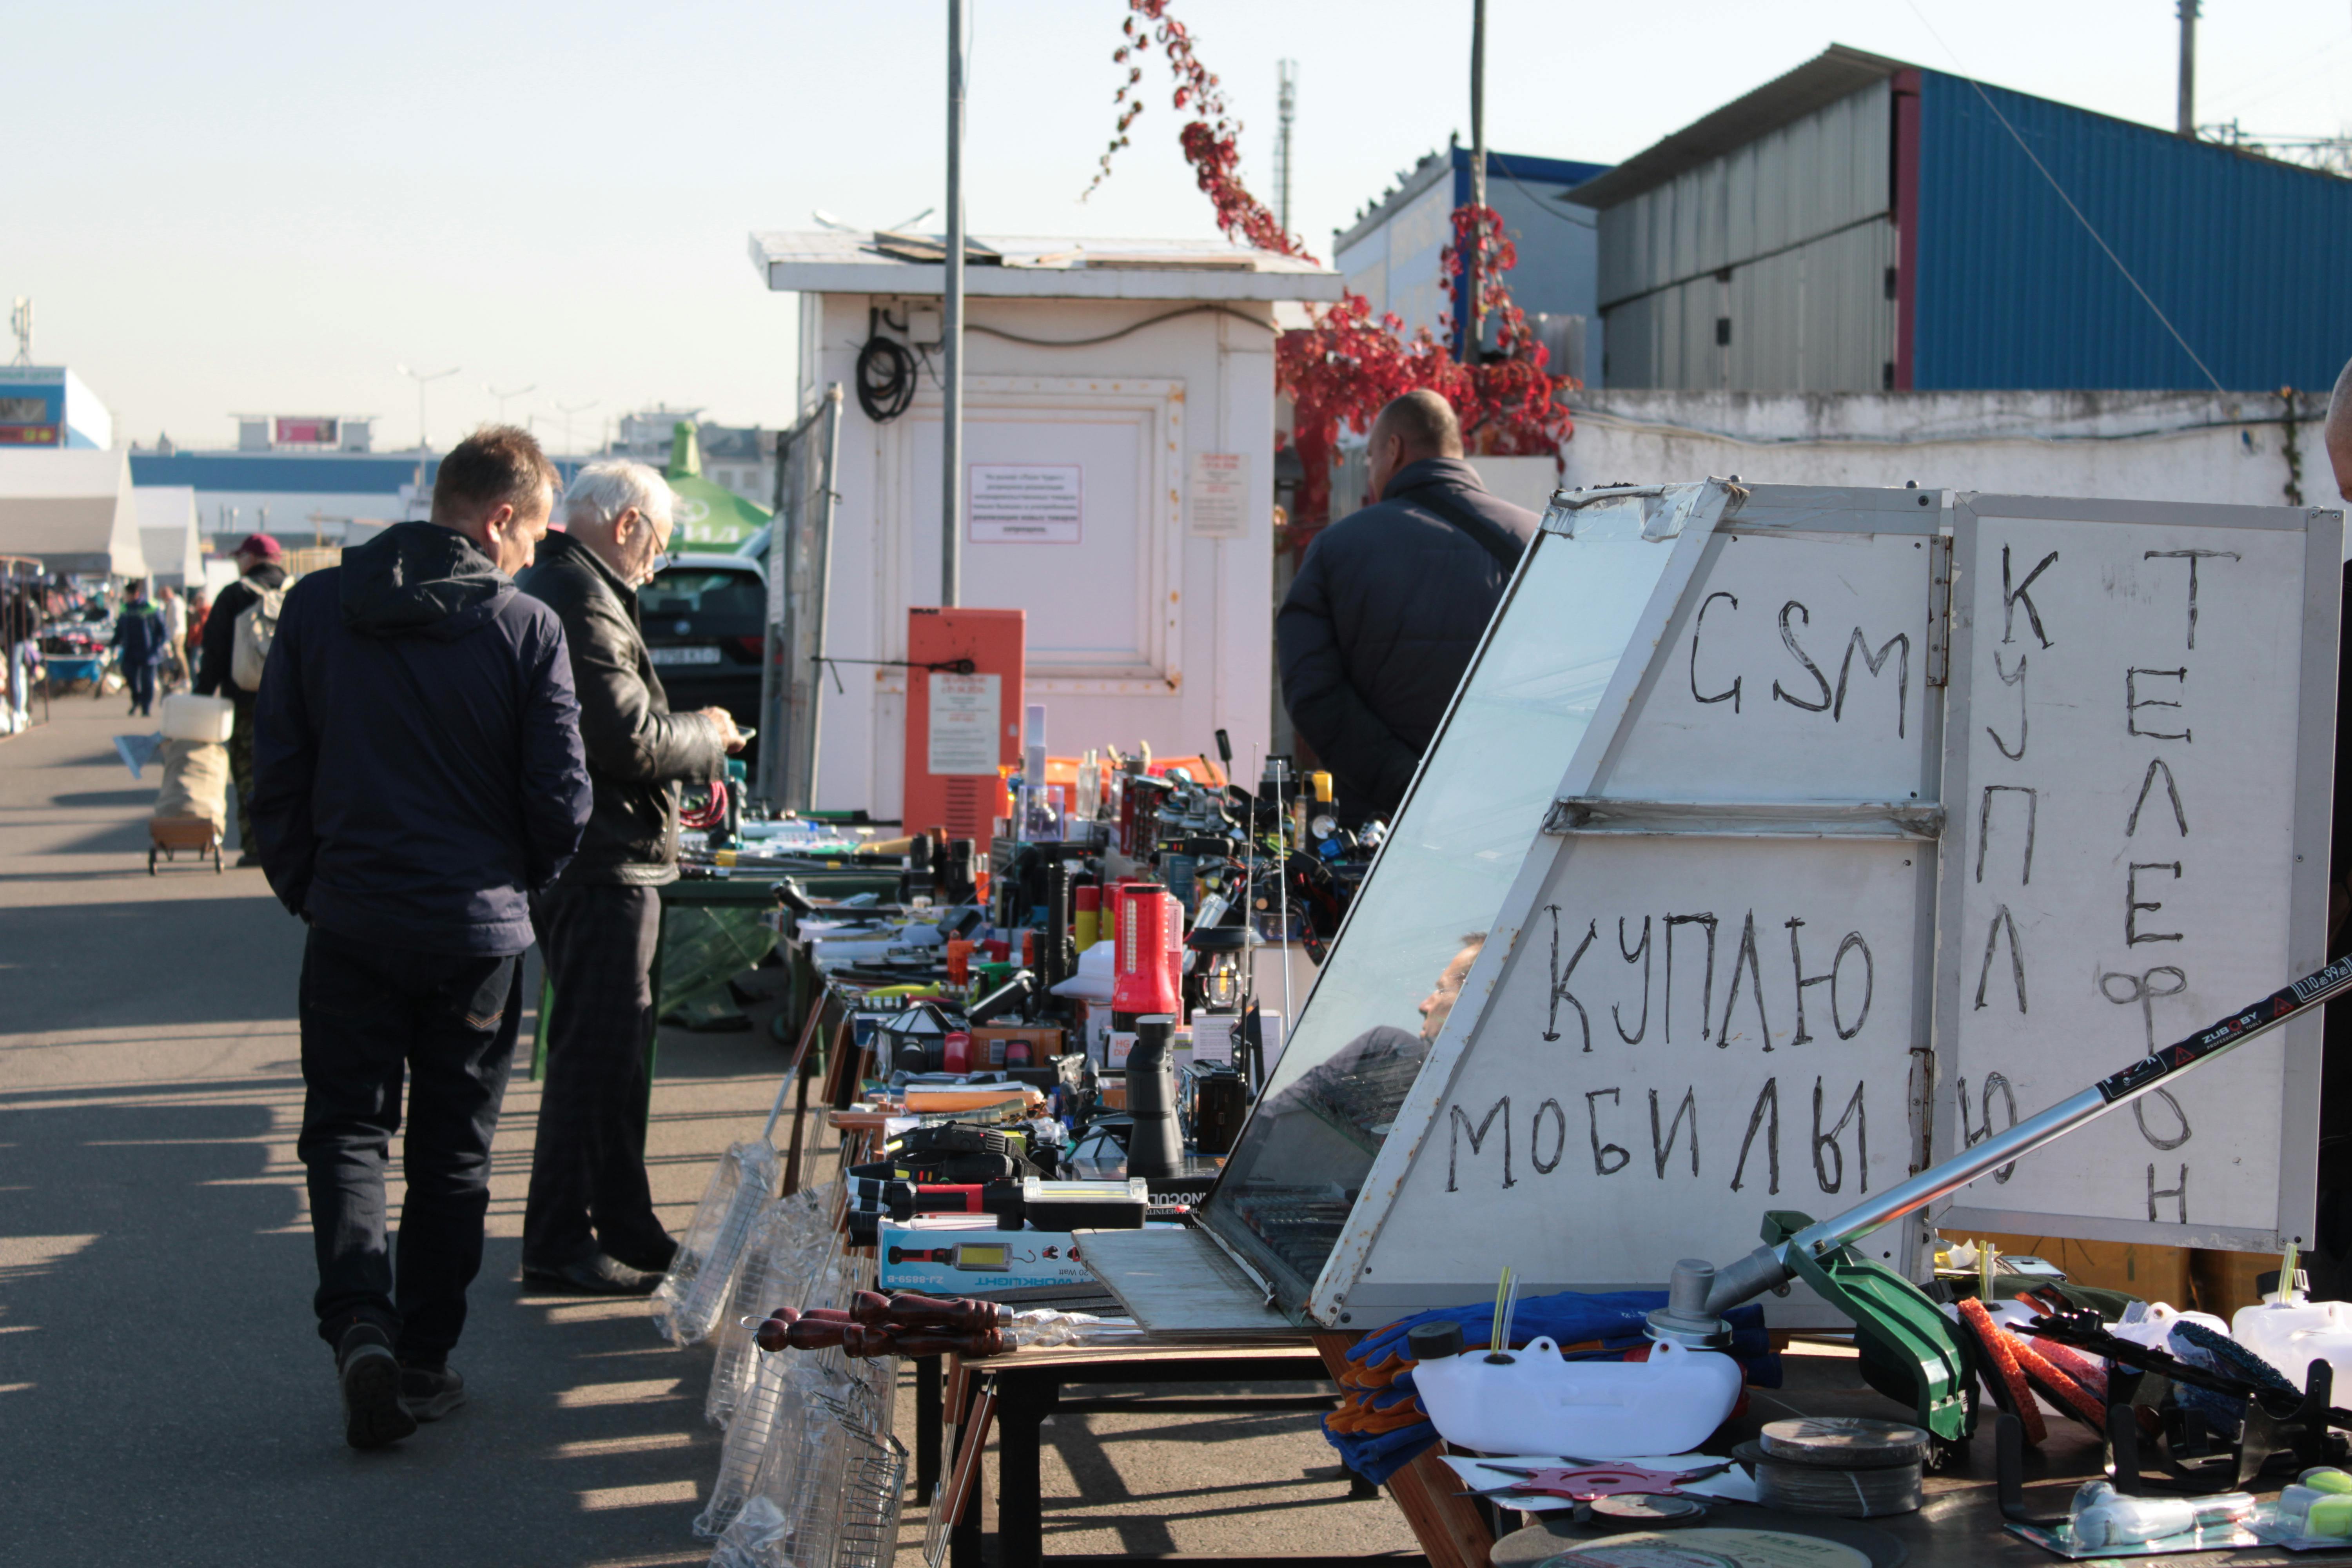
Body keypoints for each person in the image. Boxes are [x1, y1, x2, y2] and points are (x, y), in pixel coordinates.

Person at [251, 425, 591, 1450]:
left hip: (352, 918)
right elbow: (564, 801)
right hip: (474, 935)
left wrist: (310, 886)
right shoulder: (527, 629)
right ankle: (428, 1360)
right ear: (498, 518)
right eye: (534, 533)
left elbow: (275, 774)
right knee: (453, 1153)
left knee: (348, 1131)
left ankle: (362, 1322)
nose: (534, 555)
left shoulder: (316, 606)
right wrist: (513, 890)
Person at [515, 461, 744, 1294]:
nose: (660, 559)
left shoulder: (573, 587)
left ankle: (621, 1219)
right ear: (627, 525)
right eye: (662, 540)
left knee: (612, 1052)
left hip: (606, 855)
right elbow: (629, 737)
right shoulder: (579, 596)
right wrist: (709, 732)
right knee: (595, 1053)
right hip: (600, 861)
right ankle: (558, 1239)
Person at [1276, 389, 1540, 823]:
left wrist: (1407, 783)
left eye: (1371, 459)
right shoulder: (1540, 542)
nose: (1371, 474)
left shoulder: (1337, 550)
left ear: (1394, 450)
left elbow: (1312, 692)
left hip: (1377, 829)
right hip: (1508, 826)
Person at [195, 534, 289, 865]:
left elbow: (214, 656)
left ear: (249, 559)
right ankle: (295, 848)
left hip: (247, 706)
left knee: (249, 777)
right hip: (295, 707)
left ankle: (255, 849)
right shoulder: (302, 593)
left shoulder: (233, 596)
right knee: (298, 774)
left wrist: (202, 700)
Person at [110, 578, 169, 717]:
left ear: (136, 594)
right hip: (131, 650)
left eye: (128, 595)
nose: (127, 598)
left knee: (148, 681)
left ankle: (146, 707)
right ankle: (137, 699)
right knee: (129, 675)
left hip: (149, 651)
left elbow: (163, 629)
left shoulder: (151, 607)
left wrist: (161, 645)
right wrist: (114, 643)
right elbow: (120, 629)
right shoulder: (126, 608)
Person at [157, 585, 189, 691]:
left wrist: (171, 637)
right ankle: (181, 678)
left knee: (179, 655)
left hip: (177, 633)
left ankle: (186, 678)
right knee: (177, 657)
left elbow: (176, 621)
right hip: (179, 632)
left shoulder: (175, 604)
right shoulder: (176, 602)